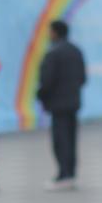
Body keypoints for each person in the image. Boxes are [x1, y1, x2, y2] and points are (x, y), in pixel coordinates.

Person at [37, 19, 87, 191]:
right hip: (73, 101)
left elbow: (46, 81)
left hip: (58, 104)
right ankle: (70, 173)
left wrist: (42, 96)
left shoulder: (53, 53)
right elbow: (82, 78)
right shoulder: (76, 50)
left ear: (55, 33)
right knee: (71, 138)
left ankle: (64, 174)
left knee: (61, 140)